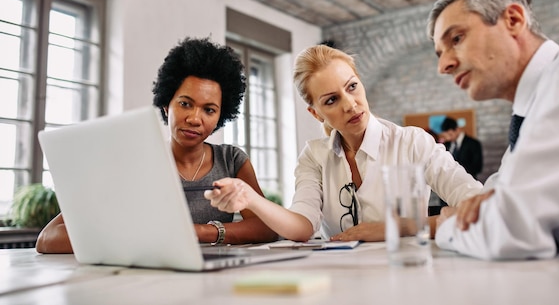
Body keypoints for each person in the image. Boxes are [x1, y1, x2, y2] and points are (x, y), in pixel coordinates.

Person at [428, 0, 559, 268]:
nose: (443, 66)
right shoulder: (526, 128)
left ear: (513, 19)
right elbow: (492, 205)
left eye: (456, 39)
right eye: (439, 53)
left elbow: (511, 229)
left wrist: (449, 225)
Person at [205, 44, 482, 242]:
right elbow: (302, 227)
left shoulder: (412, 142)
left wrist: (400, 227)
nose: (350, 104)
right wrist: (251, 198)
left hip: (406, 274)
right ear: (316, 113)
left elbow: (480, 206)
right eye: (331, 100)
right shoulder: (314, 155)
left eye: (352, 87)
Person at [36, 37, 278, 253]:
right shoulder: (133, 161)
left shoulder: (231, 160)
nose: (195, 118)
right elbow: (48, 238)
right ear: (166, 105)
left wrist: (199, 232)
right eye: (185, 104)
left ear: (219, 118)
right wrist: (136, 238)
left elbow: (266, 226)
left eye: (209, 109)